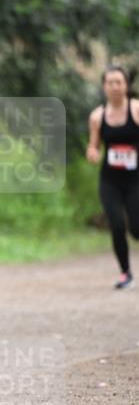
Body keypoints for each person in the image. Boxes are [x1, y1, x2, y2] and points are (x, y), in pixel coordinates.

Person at [87, 64, 139, 289]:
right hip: (110, 180)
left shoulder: (136, 110)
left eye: (119, 82)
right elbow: (94, 145)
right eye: (110, 82)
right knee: (116, 225)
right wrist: (92, 153)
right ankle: (125, 273)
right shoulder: (97, 116)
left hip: (136, 179)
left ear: (126, 85)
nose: (115, 86)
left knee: (137, 228)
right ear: (104, 86)